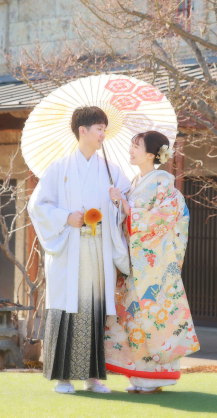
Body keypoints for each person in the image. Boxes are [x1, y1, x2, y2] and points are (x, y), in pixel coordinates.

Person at [28, 106, 131, 395]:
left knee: (94, 310)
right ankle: (63, 378)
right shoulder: (59, 167)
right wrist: (65, 217)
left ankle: (93, 377)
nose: (103, 134)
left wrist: (116, 200)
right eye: (99, 128)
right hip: (71, 247)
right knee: (69, 310)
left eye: (104, 129)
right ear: (82, 131)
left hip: (98, 250)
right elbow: (38, 206)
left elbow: (126, 205)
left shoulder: (111, 169)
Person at [105, 130, 200, 394]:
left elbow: (163, 219)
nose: (131, 150)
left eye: (136, 146)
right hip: (136, 266)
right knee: (134, 321)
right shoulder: (136, 181)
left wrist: (126, 207)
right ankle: (139, 377)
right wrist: (118, 203)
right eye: (131, 145)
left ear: (150, 154)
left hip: (153, 267)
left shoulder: (163, 183)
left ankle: (155, 378)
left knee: (151, 319)